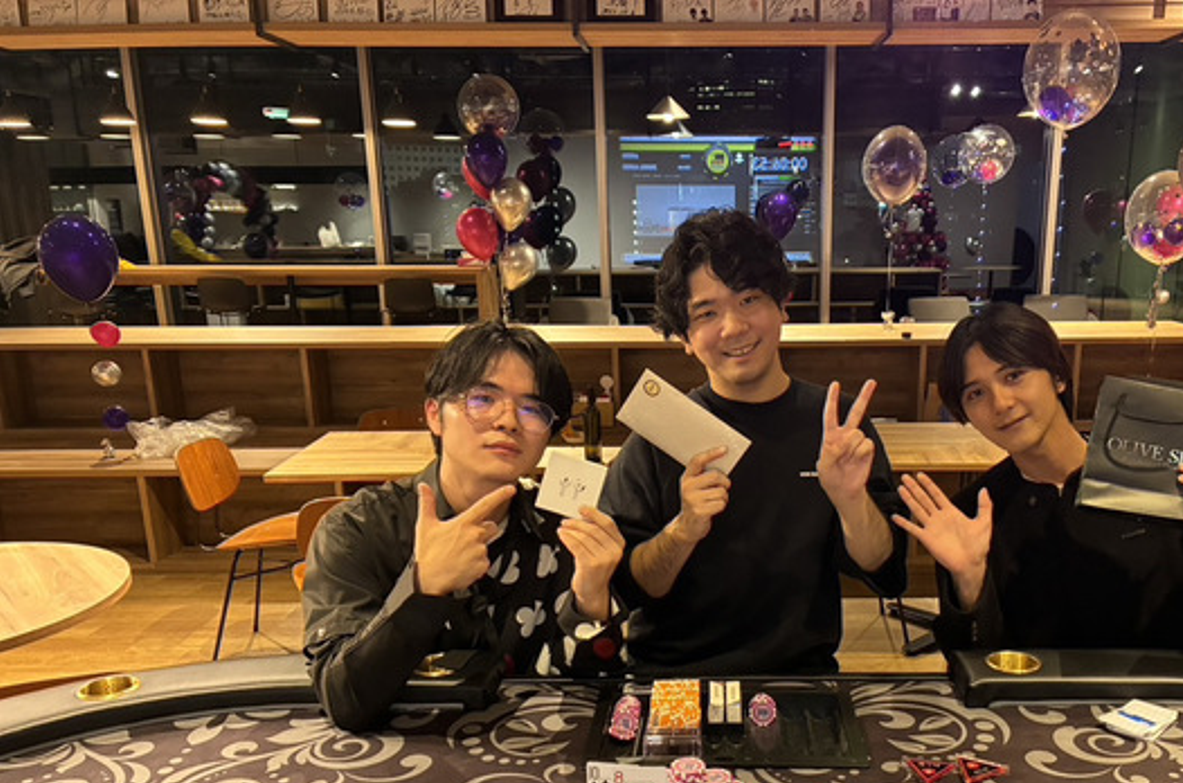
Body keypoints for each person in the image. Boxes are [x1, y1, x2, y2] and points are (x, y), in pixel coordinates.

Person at [598, 209, 908, 674]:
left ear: (782, 305)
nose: (733, 327)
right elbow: (629, 589)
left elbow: (884, 571)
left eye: (749, 299)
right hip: (674, 680)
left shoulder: (836, 425)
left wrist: (851, 502)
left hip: (798, 677)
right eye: (707, 313)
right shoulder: (659, 434)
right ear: (685, 337)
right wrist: (683, 531)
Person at [304, 321, 627, 731]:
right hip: (400, 755)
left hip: (526, 753)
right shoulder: (359, 530)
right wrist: (423, 588)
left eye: (532, 409)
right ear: (435, 415)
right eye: (483, 399)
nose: (509, 420)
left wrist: (591, 600)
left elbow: (588, 697)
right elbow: (345, 700)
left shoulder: (560, 531)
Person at [893, 302, 1183, 651]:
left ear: (1057, 376)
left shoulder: (1155, 476)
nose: (1001, 403)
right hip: (1039, 698)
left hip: (1158, 693)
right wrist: (969, 581)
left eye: (1014, 375)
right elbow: (977, 665)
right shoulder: (973, 514)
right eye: (976, 393)